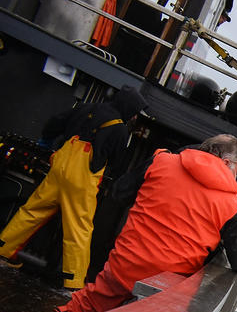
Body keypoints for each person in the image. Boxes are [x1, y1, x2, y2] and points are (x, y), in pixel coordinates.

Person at [56, 134, 237, 312]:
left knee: (86, 306)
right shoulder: (232, 206)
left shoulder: (161, 160)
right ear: (225, 163)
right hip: (166, 284)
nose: (236, 180)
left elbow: (120, 193)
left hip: (125, 263)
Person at [0, 86, 147, 289]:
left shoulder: (85, 107)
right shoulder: (120, 129)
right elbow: (116, 161)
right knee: (79, 228)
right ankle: (74, 282)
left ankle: (3, 250)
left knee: (32, 211)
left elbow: (54, 123)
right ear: (129, 108)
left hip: (59, 167)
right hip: (82, 178)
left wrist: (46, 142)